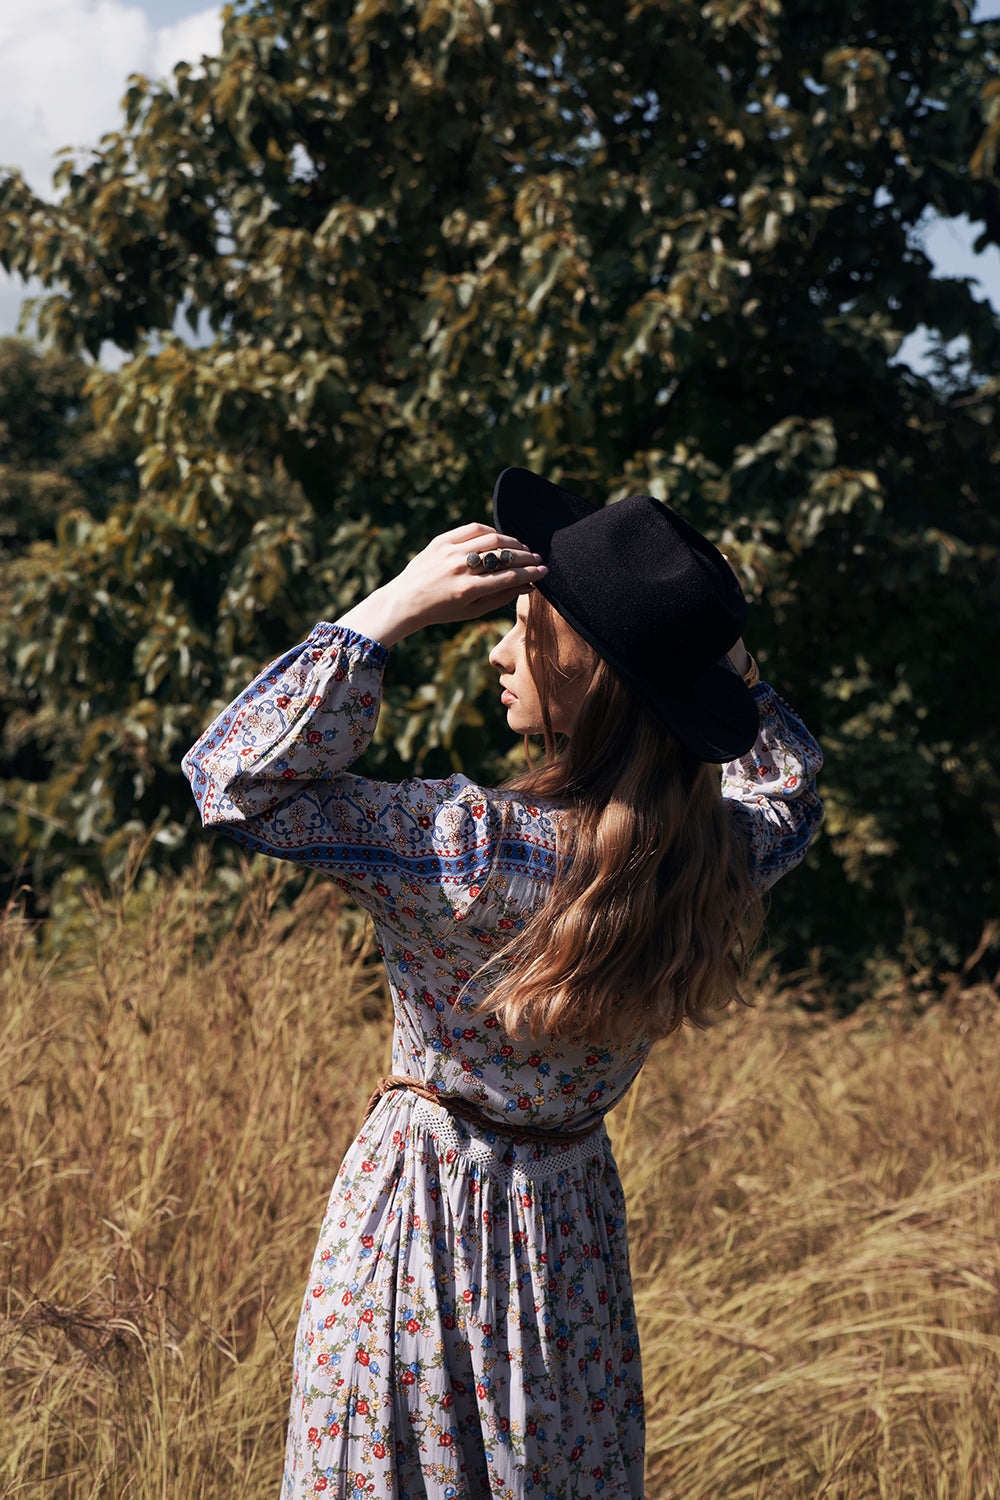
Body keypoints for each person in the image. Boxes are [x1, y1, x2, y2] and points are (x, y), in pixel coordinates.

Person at [182, 466, 823, 1500]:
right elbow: (788, 787)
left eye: (517, 623)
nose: (491, 645)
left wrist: (388, 610)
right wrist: (713, 659)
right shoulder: (709, 859)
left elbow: (231, 779)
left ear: (581, 666)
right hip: (568, 1238)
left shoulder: (464, 851)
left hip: (422, 1231)